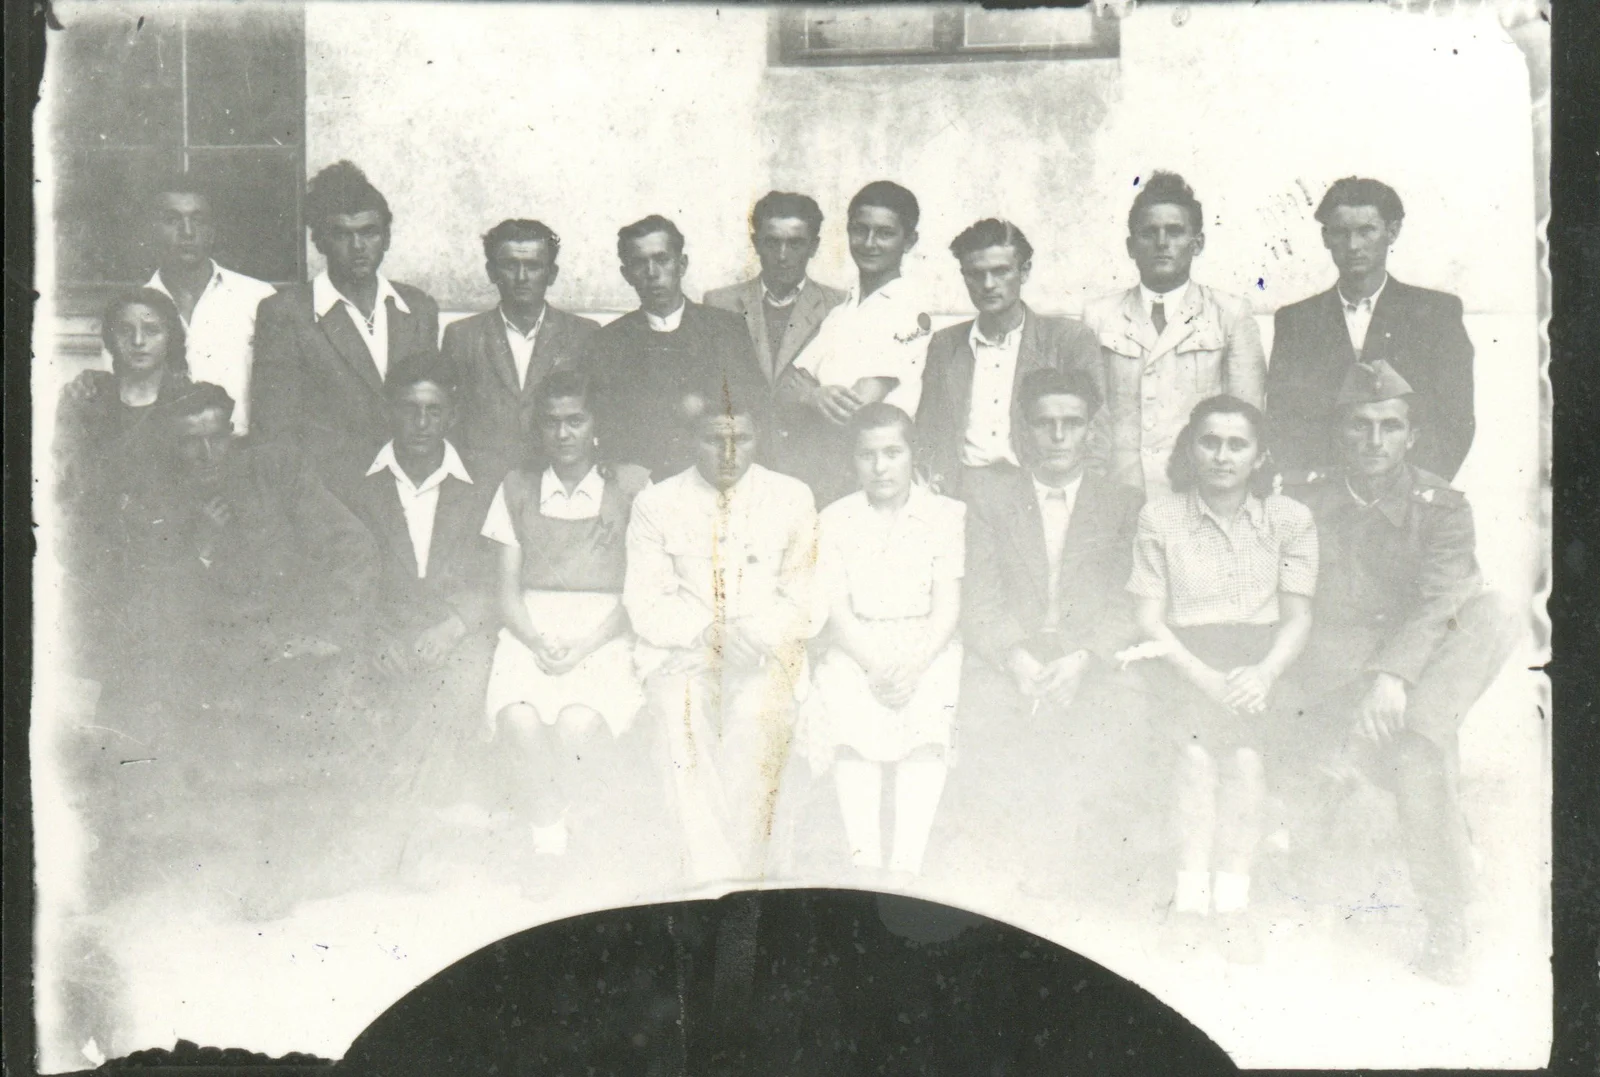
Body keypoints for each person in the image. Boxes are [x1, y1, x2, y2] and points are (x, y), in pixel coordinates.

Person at [1281, 360, 1514, 984]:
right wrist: (1367, 683)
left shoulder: (1442, 508)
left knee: (1425, 732)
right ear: (1340, 433)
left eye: (1390, 427)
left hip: (1417, 665)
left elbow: (1440, 604)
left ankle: (1446, 920)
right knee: (1420, 744)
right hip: (1336, 669)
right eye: (1360, 425)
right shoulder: (1304, 501)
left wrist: (1392, 680)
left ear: (1412, 436)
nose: (1374, 440)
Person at [1126, 395, 1317, 962]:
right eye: (1210, 442)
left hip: (1260, 661)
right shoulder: (1160, 517)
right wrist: (1205, 678)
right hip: (1182, 658)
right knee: (1194, 759)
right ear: (1191, 448)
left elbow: (1298, 617)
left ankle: (1232, 907)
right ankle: (1189, 906)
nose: (1223, 455)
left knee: (1246, 762)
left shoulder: (1290, 519)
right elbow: (1148, 620)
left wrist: (1264, 673)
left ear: (1259, 455)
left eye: (1238, 444)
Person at [957, 369, 1147, 895]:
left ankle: (1085, 874)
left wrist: (1085, 658)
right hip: (1013, 653)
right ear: (1024, 431)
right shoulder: (991, 499)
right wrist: (1015, 657)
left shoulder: (1122, 503)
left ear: (1091, 430)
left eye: (1072, 423)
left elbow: (1127, 600)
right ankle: (1002, 870)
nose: (1059, 436)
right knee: (983, 708)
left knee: (1123, 707)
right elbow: (979, 597)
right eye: (1045, 424)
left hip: (1088, 657)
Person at [624, 384, 820, 881]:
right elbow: (645, 602)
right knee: (681, 719)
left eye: (742, 439)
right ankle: (712, 877)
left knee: (756, 719)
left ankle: (748, 877)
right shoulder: (656, 503)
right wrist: (708, 637)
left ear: (759, 437)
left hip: (763, 655)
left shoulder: (792, 497)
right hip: (682, 654)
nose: (729, 454)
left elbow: (804, 599)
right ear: (692, 440)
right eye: (715, 440)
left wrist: (744, 641)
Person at [113, 382, 378, 723]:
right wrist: (201, 548)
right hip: (209, 673)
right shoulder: (153, 502)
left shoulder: (275, 470)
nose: (207, 454)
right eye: (191, 442)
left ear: (231, 432)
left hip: (292, 660)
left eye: (217, 438)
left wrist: (331, 632)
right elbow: (153, 603)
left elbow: (353, 545)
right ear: (172, 444)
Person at [480, 370, 645, 858]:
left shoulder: (632, 486)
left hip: (607, 629)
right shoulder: (517, 487)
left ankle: (583, 828)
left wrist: (584, 646)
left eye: (576, 420)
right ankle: (548, 839)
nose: (563, 433)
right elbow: (507, 592)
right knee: (518, 720)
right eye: (551, 422)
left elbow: (640, 591)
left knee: (576, 725)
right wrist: (536, 640)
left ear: (595, 424)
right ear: (539, 428)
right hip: (530, 627)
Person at [329, 358, 498, 798]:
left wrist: (455, 625)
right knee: (346, 696)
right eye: (409, 410)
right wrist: (373, 635)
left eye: (434, 411)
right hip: (380, 630)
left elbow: (500, 570)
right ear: (390, 412)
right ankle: (386, 810)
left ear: (452, 416)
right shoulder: (353, 480)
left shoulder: (485, 480)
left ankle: (412, 815)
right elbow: (338, 572)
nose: (421, 424)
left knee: (456, 691)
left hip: (457, 630)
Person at [809, 403, 965, 879]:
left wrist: (914, 665)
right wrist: (875, 666)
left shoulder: (945, 514)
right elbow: (836, 608)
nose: (880, 467)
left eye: (893, 453)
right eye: (867, 455)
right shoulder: (834, 518)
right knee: (853, 725)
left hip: (926, 643)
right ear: (853, 460)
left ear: (913, 455)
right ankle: (865, 862)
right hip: (857, 644)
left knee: (926, 726)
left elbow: (947, 607)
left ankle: (904, 868)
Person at [1266, 177, 1476, 479]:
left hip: (1409, 495)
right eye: (1341, 233)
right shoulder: (1296, 321)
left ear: (1392, 231)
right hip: (1324, 495)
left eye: (1366, 231)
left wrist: (1410, 492)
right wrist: (1318, 491)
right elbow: (1283, 421)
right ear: (1326, 237)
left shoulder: (1436, 314)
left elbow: (1455, 420)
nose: (1353, 245)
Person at [251, 160, 441, 484]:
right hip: (328, 490)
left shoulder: (418, 307)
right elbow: (276, 428)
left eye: (369, 232)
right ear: (319, 242)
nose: (358, 247)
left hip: (410, 483)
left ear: (386, 238)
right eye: (342, 234)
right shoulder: (286, 313)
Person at [1081, 172, 1266, 497]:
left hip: (1198, 493)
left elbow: (1246, 419)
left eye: (1175, 232)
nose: (1162, 243)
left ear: (1198, 243)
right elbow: (1091, 419)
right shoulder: (1099, 316)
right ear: (1131, 246)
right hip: (1120, 492)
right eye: (1149, 233)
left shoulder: (1229, 313)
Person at [54, 288, 194, 687]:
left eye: (152, 330)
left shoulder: (190, 402)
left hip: (167, 571)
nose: (138, 341)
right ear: (110, 338)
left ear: (171, 337)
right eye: (125, 330)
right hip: (102, 569)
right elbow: (65, 486)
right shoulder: (87, 399)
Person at [917, 219, 1103, 499]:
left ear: (1024, 271)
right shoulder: (945, 344)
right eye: (976, 274)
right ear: (964, 276)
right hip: (961, 492)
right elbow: (927, 432)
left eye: (1000, 271)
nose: (988, 284)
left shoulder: (1067, 339)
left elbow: (1097, 433)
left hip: (1038, 492)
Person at [776, 181, 934, 504]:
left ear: (909, 241)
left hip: (872, 475)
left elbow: (857, 409)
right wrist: (815, 395)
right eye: (860, 230)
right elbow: (784, 389)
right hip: (823, 472)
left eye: (885, 233)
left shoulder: (911, 310)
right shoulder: (840, 312)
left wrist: (810, 393)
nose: (870, 243)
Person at [584, 215, 765, 480]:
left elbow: (754, 408)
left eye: (662, 259)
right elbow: (605, 427)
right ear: (626, 274)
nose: (652, 273)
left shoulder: (727, 330)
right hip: (642, 484)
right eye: (639, 263)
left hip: (717, 479)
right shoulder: (607, 342)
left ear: (681, 265)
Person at [442, 219, 600, 487]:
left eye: (533, 266)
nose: (522, 277)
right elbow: (451, 423)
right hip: (482, 486)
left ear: (552, 274)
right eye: (510, 265)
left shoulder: (584, 334)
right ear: (492, 272)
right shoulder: (462, 336)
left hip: (557, 485)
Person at [131, 173, 278, 434]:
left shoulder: (259, 298)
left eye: (198, 220)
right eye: (172, 220)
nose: (187, 232)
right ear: (151, 230)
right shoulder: (132, 309)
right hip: (164, 454)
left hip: (243, 451)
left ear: (212, 231)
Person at [703, 191, 846, 389]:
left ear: (814, 247)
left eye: (795, 244)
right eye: (772, 243)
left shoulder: (838, 306)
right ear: (756, 244)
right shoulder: (720, 303)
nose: (782, 256)